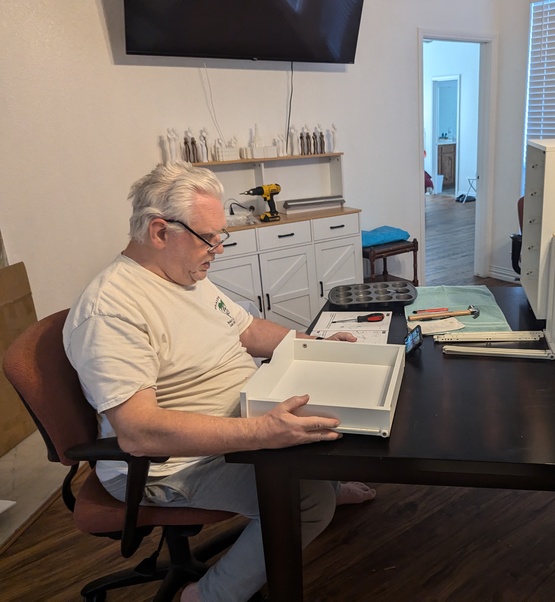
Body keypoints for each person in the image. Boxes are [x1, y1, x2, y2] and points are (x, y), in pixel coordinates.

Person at [63, 161, 376, 602]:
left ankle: (324, 477)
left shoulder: (186, 276)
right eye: (210, 238)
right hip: (170, 463)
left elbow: (247, 330)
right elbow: (137, 431)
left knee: (333, 416)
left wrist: (316, 343)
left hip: (236, 422)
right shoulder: (112, 311)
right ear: (159, 232)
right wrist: (259, 432)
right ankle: (208, 595)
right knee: (306, 502)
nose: (219, 249)